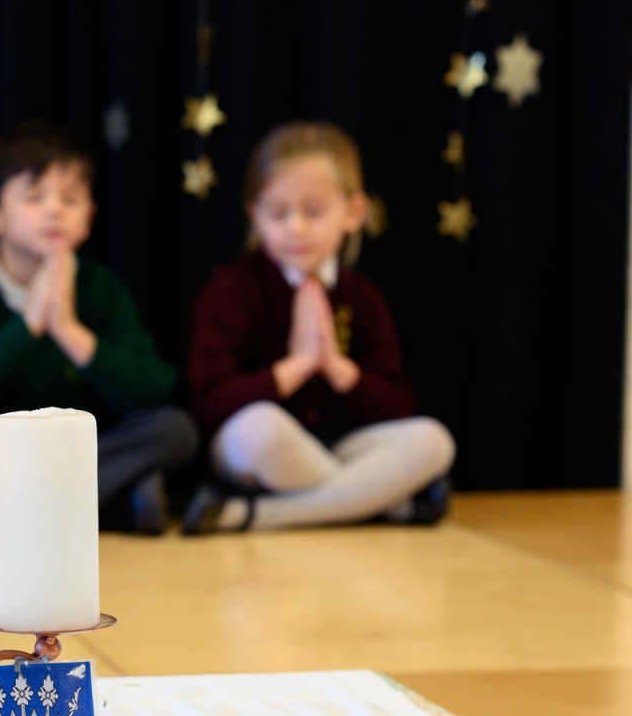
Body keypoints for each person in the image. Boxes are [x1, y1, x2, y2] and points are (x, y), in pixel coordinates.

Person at [0, 121, 197, 538]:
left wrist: (69, 331)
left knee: (175, 430)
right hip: (1, 460)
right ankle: (107, 506)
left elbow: (153, 389)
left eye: (70, 198)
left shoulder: (100, 288)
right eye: (34, 197)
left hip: (84, 456)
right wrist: (27, 327)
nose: (53, 210)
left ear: (89, 216)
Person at [183, 122, 455, 534]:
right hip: (259, 453)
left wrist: (333, 366)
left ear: (354, 213)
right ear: (254, 214)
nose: (295, 227)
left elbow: (396, 404)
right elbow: (208, 405)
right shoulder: (232, 290)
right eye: (278, 213)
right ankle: (376, 501)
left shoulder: (361, 297)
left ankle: (258, 515)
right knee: (261, 428)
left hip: (336, 448)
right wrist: (296, 367)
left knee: (433, 440)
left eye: (313, 211)